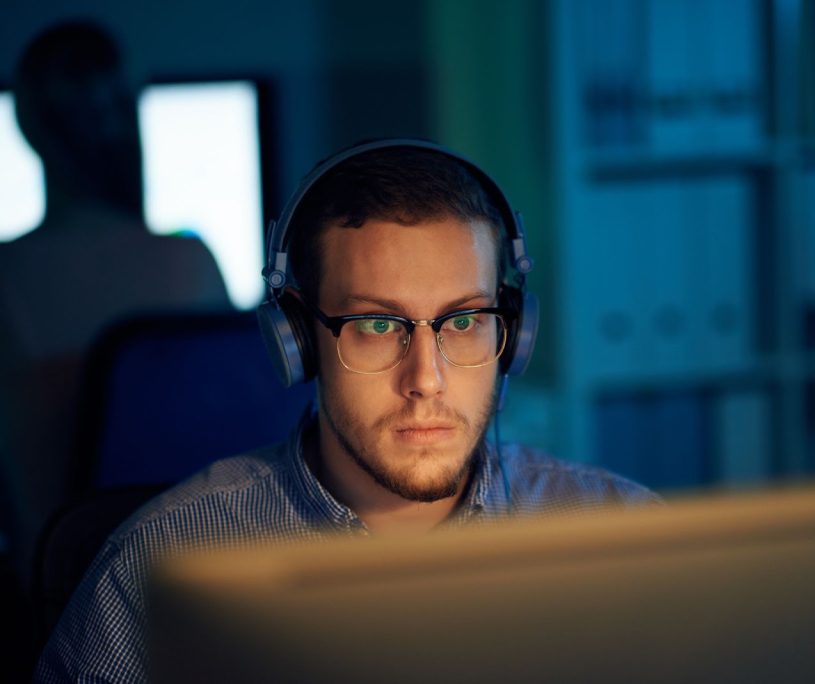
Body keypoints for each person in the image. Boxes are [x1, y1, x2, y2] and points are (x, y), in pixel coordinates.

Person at [35, 140, 657, 682]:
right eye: (377, 325)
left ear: (513, 332)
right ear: (297, 340)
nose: (426, 380)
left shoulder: (626, 544)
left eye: (465, 320)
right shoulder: (160, 565)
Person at [0, 22, 229, 587]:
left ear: (29, 126)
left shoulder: (9, 274)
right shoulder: (191, 260)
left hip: (58, 595)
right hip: (194, 580)